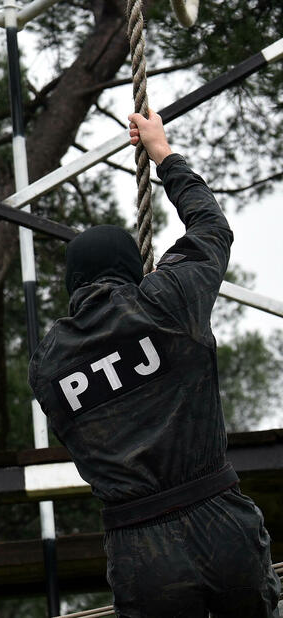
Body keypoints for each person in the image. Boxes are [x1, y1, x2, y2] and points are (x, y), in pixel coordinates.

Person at [28, 110, 280, 616]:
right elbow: (210, 227)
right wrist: (163, 154)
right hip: (220, 518)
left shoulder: (48, 365)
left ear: (73, 285)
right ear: (130, 270)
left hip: (139, 546)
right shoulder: (166, 301)